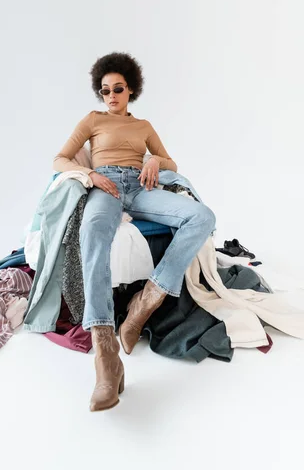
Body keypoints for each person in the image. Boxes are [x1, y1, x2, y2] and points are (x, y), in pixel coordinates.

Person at [53, 52, 216, 412]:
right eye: (105, 89)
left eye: (118, 89)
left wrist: (155, 160)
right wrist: (91, 175)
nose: (111, 95)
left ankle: (145, 304)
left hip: (141, 187)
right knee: (93, 229)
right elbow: (61, 158)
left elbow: (170, 162)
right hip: (105, 186)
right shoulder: (92, 120)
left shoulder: (143, 126)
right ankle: (106, 357)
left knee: (202, 216)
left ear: (131, 90)